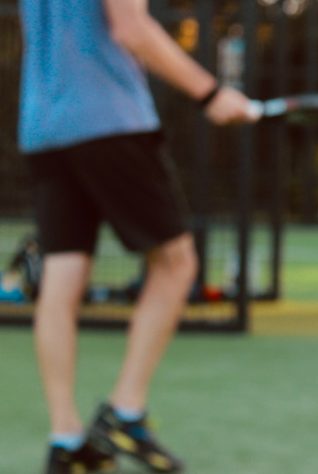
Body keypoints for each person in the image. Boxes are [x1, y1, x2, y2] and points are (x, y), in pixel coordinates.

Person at [18, 1, 257, 472]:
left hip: (43, 123)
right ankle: (125, 413)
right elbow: (130, 28)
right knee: (176, 262)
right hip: (108, 119)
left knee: (62, 275)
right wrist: (211, 94)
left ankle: (66, 439)